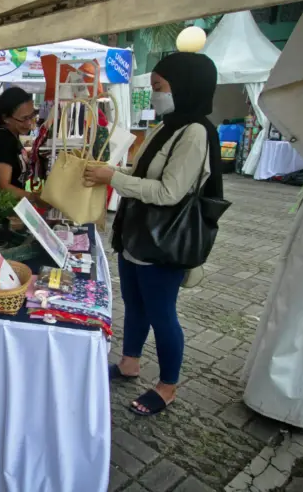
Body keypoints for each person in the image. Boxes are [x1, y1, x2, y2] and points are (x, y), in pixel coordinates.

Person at [83, 53, 223, 416]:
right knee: (135, 303)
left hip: (163, 241)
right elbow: (143, 170)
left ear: (185, 86)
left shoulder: (195, 133)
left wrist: (113, 178)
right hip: (137, 233)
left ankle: (167, 386)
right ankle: (130, 363)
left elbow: (168, 192)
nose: (155, 95)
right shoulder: (167, 126)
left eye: (159, 87)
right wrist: (113, 169)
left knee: (162, 314)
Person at [0, 87, 40, 203]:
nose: (29, 123)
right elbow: (4, 187)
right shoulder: (3, 140)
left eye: (32, 116)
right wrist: (34, 198)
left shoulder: (11, 136)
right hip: (3, 211)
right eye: (24, 118)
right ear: (6, 118)